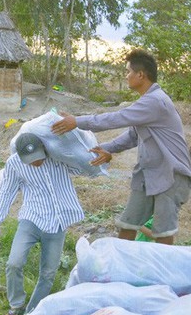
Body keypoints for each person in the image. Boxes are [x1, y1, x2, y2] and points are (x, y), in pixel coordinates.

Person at [51, 48, 191, 245]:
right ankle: (120, 266)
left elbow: (116, 118)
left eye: (128, 72)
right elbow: (133, 135)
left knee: (162, 232)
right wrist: (106, 148)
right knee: (128, 224)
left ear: (140, 75)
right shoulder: (147, 102)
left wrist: (77, 121)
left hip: (170, 174)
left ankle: (161, 274)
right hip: (148, 174)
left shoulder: (155, 101)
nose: (126, 76)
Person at [0, 133, 84, 315]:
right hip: (31, 217)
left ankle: (32, 312)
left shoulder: (58, 156)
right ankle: (16, 305)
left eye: (38, 158)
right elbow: (6, 193)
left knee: (48, 273)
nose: (35, 163)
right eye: (30, 161)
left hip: (58, 220)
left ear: (44, 149)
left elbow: (83, 166)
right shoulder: (14, 164)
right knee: (14, 263)